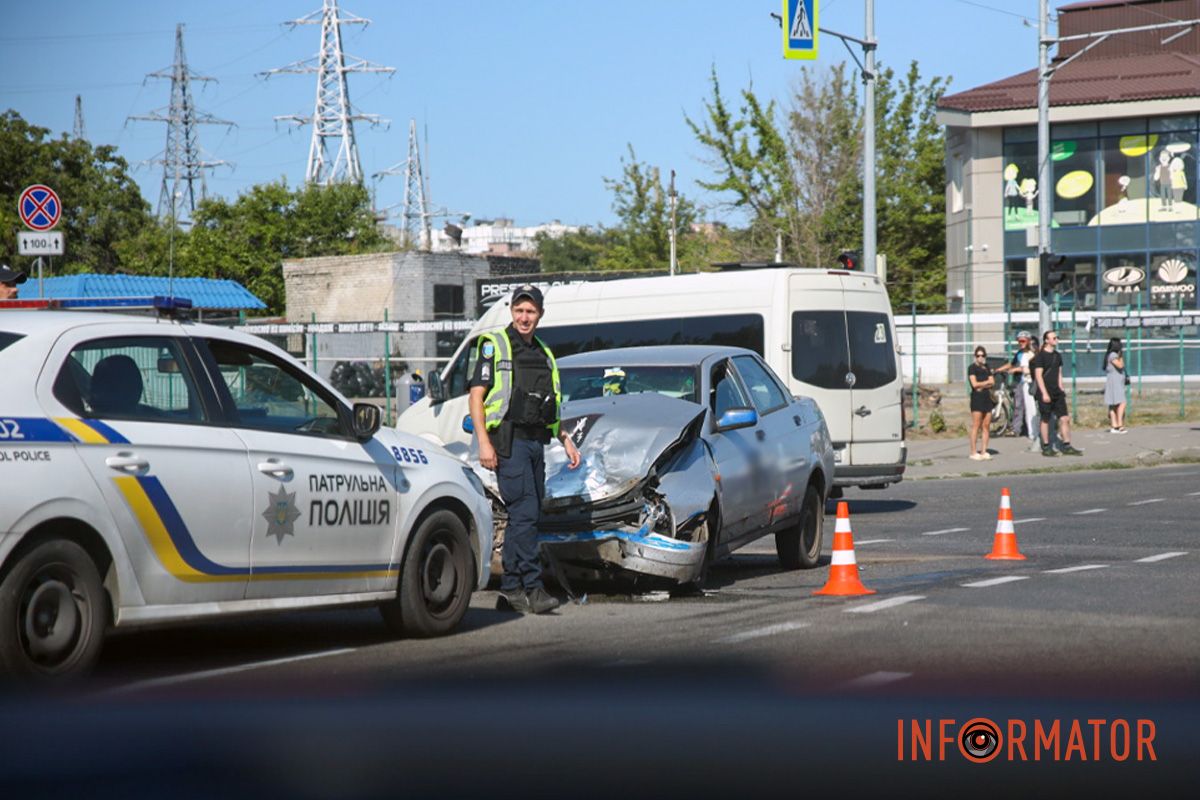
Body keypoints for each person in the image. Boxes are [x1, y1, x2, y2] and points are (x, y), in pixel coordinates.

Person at [468, 284, 581, 615]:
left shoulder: (544, 353)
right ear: (511, 312)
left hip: (536, 442)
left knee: (525, 517)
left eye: (530, 311)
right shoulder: (496, 346)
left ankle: (511, 590)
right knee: (526, 513)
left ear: (540, 315)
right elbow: (476, 396)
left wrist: (565, 438)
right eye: (519, 310)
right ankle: (531, 587)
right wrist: (484, 443)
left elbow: (548, 404)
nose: (524, 317)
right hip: (508, 440)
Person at [1031, 330, 1083, 457]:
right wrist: (1044, 393)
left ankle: (1067, 445)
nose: (1056, 340)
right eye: (1054, 338)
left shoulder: (1057, 355)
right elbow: (1038, 376)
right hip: (1045, 392)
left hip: (1056, 392)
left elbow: (1059, 373)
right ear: (1046, 340)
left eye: (1057, 337)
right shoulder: (1040, 357)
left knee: (1064, 418)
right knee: (1045, 419)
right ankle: (1046, 447)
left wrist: (1061, 388)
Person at [1000, 331, 1032, 436]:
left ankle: (1028, 429)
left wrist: (1016, 370)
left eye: (1023, 341)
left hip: (1029, 382)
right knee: (1018, 405)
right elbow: (1011, 364)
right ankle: (1017, 429)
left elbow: (1028, 367)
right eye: (1019, 341)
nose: (1020, 343)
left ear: (1028, 341)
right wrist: (998, 369)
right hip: (1019, 382)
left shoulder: (1031, 353)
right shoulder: (1019, 353)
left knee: (1029, 407)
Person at [967, 346, 996, 460]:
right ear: (975, 356)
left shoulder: (987, 367)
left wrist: (982, 384)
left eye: (982, 355)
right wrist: (986, 383)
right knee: (976, 425)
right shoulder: (972, 368)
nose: (980, 357)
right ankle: (973, 452)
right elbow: (974, 385)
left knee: (986, 425)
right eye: (978, 355)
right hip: (977, 398)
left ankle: (984, 451)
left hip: (986, 397)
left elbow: (992, 382)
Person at [1102, 337, 1128, 434]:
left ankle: (1114, 425)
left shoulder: (1111, 355)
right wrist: (1121, 356)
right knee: (1122, 402)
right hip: (1114, 382)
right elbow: (1120, 365)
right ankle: (1120, 425)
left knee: (1113, 404)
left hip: (1115, 381)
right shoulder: (1113, 355)